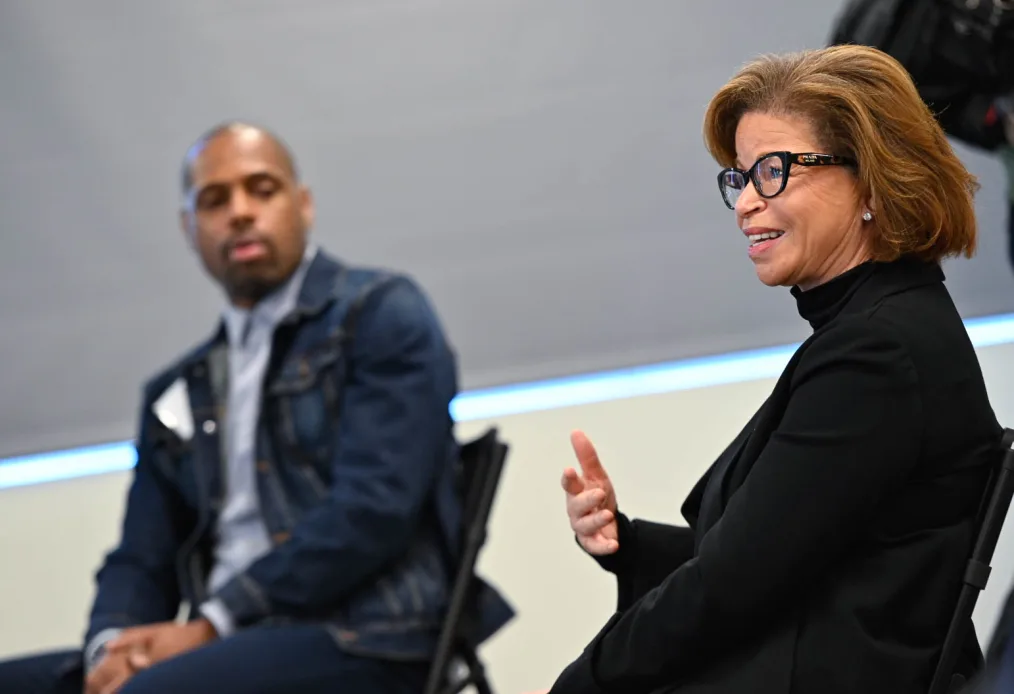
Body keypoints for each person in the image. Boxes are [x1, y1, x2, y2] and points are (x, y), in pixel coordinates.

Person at [537, 45, 1004, 694]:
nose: (745, 204)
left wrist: (574, 686)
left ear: (869, 181)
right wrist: (630, 544)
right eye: (741, 177)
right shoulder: (883, 329)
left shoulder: (876, 355)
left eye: (774, 171)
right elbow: (780, 561)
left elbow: (729, 589)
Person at [0, 121, 513, 694]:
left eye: (261, 189)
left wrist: (215, 621)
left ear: (303, 203)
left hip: (367, 633)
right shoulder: (179, 389)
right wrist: (111, 648)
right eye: (214, 200)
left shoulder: (379, 315)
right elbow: (140, 557)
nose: (240, 212)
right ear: (188, 228)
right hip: (226, 646)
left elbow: (372, 509)